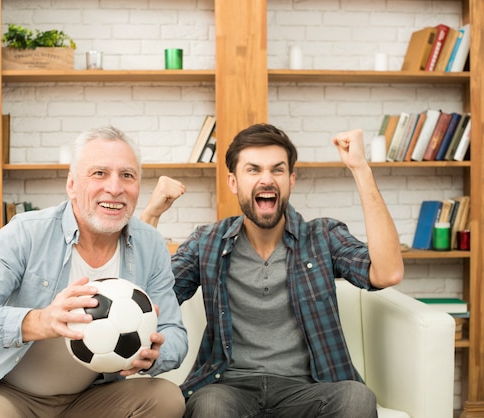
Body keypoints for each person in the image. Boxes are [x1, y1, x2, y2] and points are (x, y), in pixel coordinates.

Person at [141, 123, 404, 418]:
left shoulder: (322, 236)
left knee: (357, 397)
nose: (266, 179)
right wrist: (151, 214)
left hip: (307, 390)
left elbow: (387, 273)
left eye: (277, 170)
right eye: (253, 170)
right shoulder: (208, 241)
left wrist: (360, 169)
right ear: (233, 182)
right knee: (209, 405)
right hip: (229, 388)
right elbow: (148, 301)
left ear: (291, 180)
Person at [0, 126, 188, 418]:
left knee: (166, 398)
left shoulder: (151, 244)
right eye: (99, 174)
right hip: (12, 396)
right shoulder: (26, 233)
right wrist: (38, 321)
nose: (115, 188)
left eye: (127, 176)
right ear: (71, 184)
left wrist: (156, 354)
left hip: (94, 398)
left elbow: (175, 333)